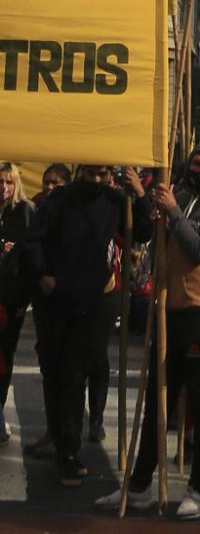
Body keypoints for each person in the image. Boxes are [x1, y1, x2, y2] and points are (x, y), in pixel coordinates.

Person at [96, 142, 200, 518]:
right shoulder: (181, 192)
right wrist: (144, 196)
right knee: (157, 400)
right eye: (197, 162)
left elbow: (199, 248)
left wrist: (174, 210)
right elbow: (150, 233)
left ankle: (197, 486)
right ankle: (141, 483)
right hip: (168, 308)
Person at [22, 164, 152, 483]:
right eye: (90, 175)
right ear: (80, 172)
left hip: (92, 299)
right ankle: (60, 438)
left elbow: (143, 232)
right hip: (55, 298)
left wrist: (138, 192)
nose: (96, 181)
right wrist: (43, 276)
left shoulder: (114, 200)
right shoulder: (59, 199)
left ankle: (69, 448)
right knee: (55, 371)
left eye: (101, 175)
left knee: (76, 372)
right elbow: (32, 241)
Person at [0, 163, 36, 444]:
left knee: (4, 355)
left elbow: (28, 251)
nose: (3, 187)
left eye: (9, 182)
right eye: (0, 182)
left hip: (11, 297)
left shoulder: (24, 211)